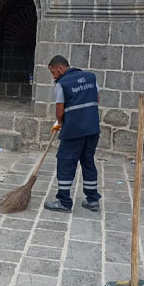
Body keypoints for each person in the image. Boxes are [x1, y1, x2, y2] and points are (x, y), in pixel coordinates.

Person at [44, 55, 101, 213]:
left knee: (65, 162)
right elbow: (97, 98)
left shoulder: (62, 84)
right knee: (88, 161)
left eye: (53, 72)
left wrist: (59, 122)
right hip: (92, 129)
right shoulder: (91, 77)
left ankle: (64, 201)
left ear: (60, 68)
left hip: (73, 131)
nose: (53, 76)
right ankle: (93, 200)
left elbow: (60, 110)